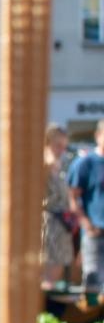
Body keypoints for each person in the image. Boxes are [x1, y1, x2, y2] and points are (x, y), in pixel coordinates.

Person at [69, 119, 104, 289]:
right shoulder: (85, 163)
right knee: (93, 279)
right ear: (98, 136)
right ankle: (92, 315)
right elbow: (73, 198)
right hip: (95, 231)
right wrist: (88, 225)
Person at [43, 124, 77, 288]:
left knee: (56, 273)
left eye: (64, 146)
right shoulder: (44, 165)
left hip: (61, 226)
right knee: (48, 274)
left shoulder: (58, 166)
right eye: (58, 145)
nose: (62, 150)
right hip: (49, 225)